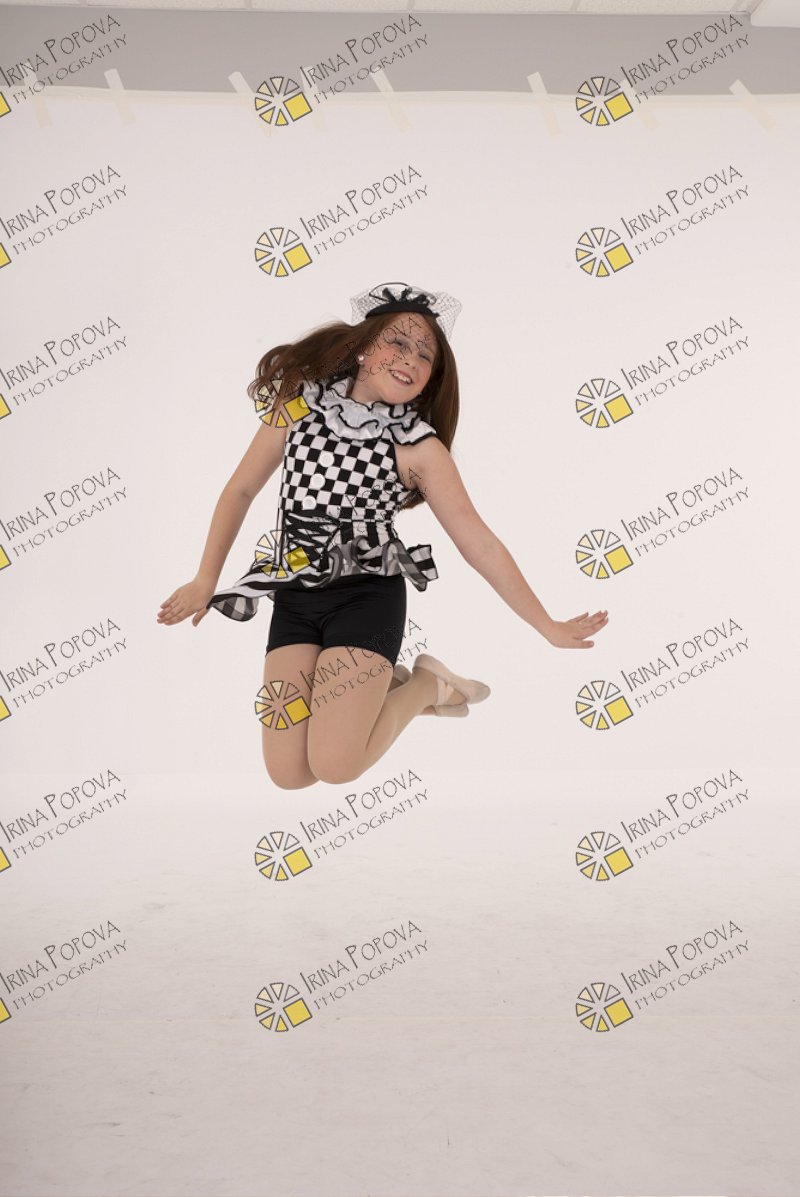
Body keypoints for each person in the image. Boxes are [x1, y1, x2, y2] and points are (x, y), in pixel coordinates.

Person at [157, 280, 609, 788]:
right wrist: (205, 578)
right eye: (398, 342)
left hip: (366, 599)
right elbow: (240, 490)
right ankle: (379, 690)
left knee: (336, 765)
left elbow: (479, 545)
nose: (410, 359)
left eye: (425, 355)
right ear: (364, 347)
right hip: (295, 596)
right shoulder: (298, 406)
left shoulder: (418, 449)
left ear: (430, 380)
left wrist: (546, 625)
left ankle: (424, 685)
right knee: (288, 773)